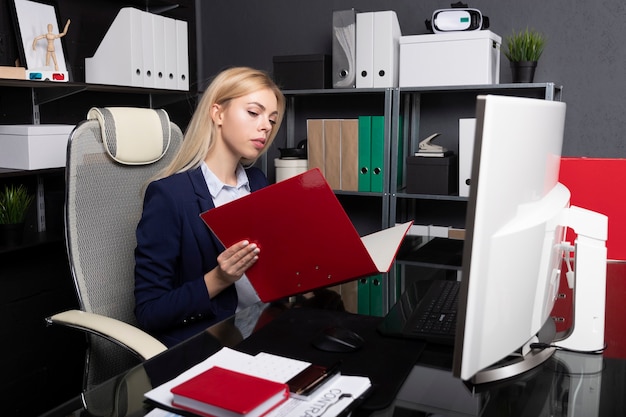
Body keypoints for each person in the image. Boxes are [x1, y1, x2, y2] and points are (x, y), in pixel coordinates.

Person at [134, 67, 285, 347]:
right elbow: (149, 313)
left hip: (263, 328)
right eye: (254, 112)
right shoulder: (170, 196)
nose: (266, 126)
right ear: (218, 113)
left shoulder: (258, 181)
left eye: (272, 120)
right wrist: (219, 278)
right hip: (211, 342)